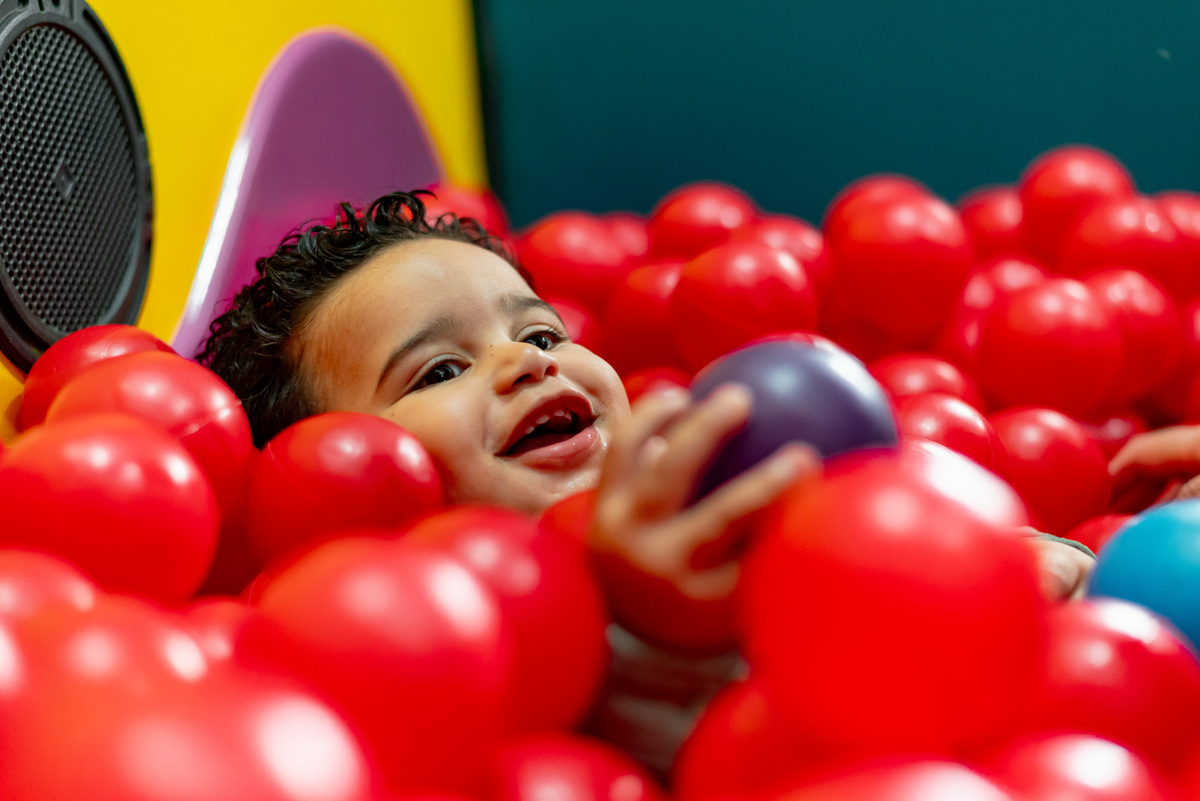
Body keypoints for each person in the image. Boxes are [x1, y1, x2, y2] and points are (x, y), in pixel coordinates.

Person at [201, 189, 1094, 776]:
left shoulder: (767, 504)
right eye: (437, 372)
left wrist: (1024, 566)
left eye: (542, 334)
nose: (522, 362)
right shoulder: (409, 661)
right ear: (330, 483)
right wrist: (647, 623)